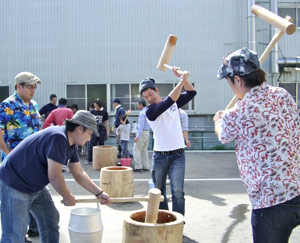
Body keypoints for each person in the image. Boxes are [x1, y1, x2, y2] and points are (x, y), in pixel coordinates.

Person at [213, 47, 300, 243]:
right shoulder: (283, 95)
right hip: (296, 189)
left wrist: (218, 120)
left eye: (228, 81)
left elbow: (223, 135)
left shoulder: (239, 112)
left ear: (238, 79)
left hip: (270, 203)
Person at [0, 110, 110, 242]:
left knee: (50, 219)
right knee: (14, 234)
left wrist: (99, 193)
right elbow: (54, 175)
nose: (90, 138)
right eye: (90, 133)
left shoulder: (71, 145)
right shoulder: (58, 137)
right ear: (80, 129)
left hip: (35, 185)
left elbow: (79, 173)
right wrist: (67, 196)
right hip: (15, 183)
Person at [139, 68, 197, 216]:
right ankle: (164, 220)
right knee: (159, 191)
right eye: (146, 97)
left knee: (178, 190)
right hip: (160, 156)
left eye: (151, 94)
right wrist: (181, 80)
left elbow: (191, 93)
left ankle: (178, 222)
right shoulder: (149, 111)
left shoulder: (173, 104)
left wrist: (184, 81)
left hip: (178, 155)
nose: (149, 98)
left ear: (156, 90)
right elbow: (168, 102)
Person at [0, 72, 42, 241]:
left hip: (32, 162)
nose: (33, 90)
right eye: (30, 86)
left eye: (35, 87)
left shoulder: (34, 105)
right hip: (14, 164)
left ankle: (29, 231)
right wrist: (7, 153)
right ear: (19, 86)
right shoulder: (7, 105)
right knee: (13, 206)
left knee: (30, 199)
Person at [87, 99, 110, 165]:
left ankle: (100, 159)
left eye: (96, 106)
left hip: (102, 129)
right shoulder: (92, 112)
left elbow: (106, 122)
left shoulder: (104, 112)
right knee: (92, 144)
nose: (95, 107)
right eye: (94, 106)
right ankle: (90, 159)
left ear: (99, 106)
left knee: (101, 144)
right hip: (94, 129)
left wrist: (107, 132)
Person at [133, 99, 150, 171]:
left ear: (140, 104)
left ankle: (138, 166)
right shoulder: (148, 111)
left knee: (136, 149)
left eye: (138, 104)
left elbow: (140, 126)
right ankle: (146, 166)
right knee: (144, 150)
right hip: (147, 132)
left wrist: (138, 136)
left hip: (142, 132)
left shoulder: (142, 113)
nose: (137, 106)